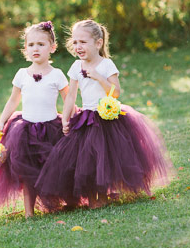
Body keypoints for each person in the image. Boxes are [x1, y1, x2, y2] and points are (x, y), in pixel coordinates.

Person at [35, 19, 174, 209]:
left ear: (98, 43)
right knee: (87, 160)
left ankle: (104, 194)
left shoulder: (106, 64)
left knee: (107, 157)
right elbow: (71, 96)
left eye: (83, 42)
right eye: (75, 42)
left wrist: (99, 78)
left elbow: (115, 93)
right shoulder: (76, 67)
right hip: (86, 118)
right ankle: (94, 197)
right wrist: (66, 118)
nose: (78, 46)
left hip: (108, 117)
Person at [0, 21, 69, 217]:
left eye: (41, 44)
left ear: (52, 47)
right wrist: (3, 120)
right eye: (31, 45)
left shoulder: (57, 75)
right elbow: (13, 101)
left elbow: (68, 100)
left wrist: (69, 119)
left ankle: (57, 202)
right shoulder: (21, 75)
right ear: (25, 49)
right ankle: (29, 212)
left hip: (51, 128)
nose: (35, 49)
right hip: (25, 130)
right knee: (27, 172)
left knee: (52, 168)